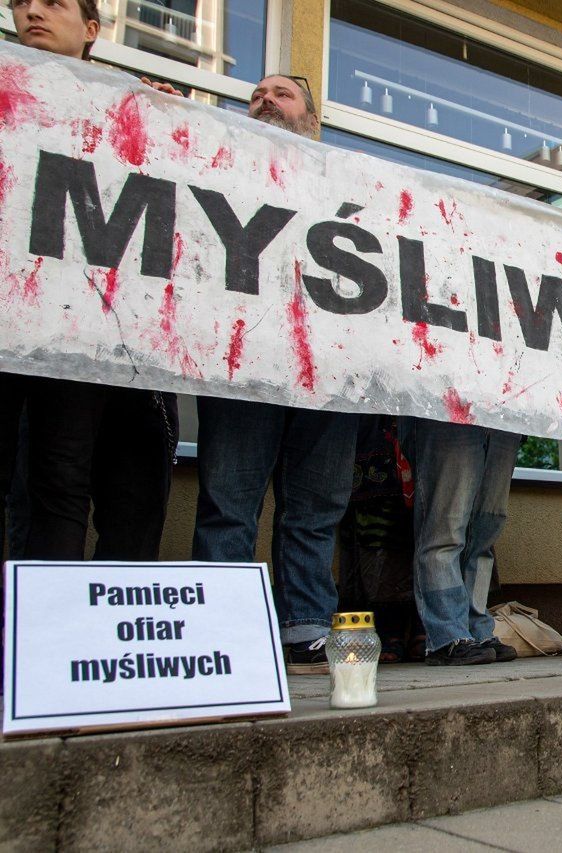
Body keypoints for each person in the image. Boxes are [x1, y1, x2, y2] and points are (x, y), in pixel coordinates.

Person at [191, 75, 362, 674]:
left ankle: (305, 627)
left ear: (311, 120)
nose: (266, 100)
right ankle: (221, 626)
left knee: (316, 506)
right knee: (228, 501)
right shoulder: (214, 161)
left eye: (282, 94)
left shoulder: (347, 183)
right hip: (242, 360)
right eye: (257, 94)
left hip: (328, 369)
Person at [4, 0, 178, 564]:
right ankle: (40, 632)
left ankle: (108, 640)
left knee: (127, 496)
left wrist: (178, 133)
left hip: (117, 339)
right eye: (20, 3)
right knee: (50, 490)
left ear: (93, 30)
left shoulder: (131, 110)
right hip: (27, 333)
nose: (33, 11)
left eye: (53, 3)